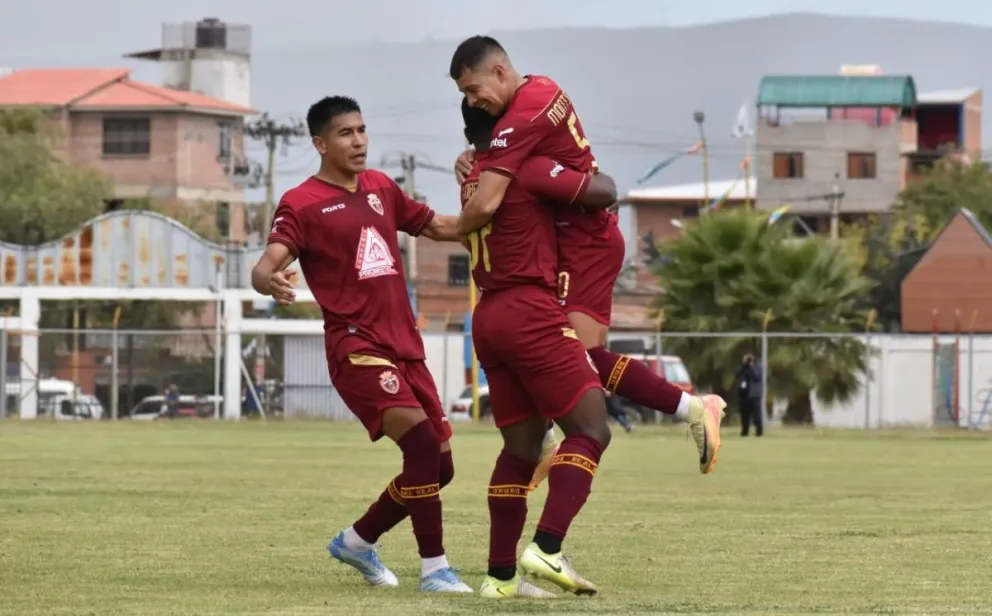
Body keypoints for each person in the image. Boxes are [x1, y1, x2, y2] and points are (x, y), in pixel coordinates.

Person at [448, 35, 726, 485]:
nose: (472, 101)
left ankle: (693, 408)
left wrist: (457, 210)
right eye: (464, 96)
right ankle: (553, 440)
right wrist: (474, 155)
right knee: (564, 355)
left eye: (472, 89)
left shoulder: (522, 115)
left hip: (585, 241)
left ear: (499, 72)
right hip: (568, 241)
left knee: (575, 357)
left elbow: (488, 204)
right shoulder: (533, 96)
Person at [251, 95, 471, 593]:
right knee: (419, 443)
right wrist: (268, 279)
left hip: (405, 345)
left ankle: (357, 540)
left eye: (363, 130)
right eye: (346, 133)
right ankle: (435, 569)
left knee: (440, 466)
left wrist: (497, 206)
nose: (359, 141)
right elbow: (267, 262)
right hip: (356, 348)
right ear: (320, 143)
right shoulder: (302, 202)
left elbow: (440, 226)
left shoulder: (380, 187)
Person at [459, 99, 618, 598]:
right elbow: (605, 191)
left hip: (488, 313)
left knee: (522, 449)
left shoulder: (472, 175)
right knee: (591, 429)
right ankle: (548, 548)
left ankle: (500, 579)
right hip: (530, 307)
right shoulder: (526, 168)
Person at [735, 353, 764, 437]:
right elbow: (737, 374)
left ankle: (759, 433)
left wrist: (751, 366)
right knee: (744, 416)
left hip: (754, 395)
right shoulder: (743, 368)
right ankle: (745, 432)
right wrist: (744, 364)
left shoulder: (758, 366)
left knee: (756, 415)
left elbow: (757, 376)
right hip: (744, 395)